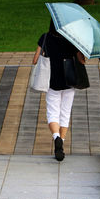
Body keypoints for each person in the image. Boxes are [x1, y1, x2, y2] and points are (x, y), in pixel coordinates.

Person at [33, 19, 85, 161]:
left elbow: (35, 59)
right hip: (69, 80)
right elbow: (81, 60)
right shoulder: (72, 38)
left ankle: (56, 137)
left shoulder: (45, 37)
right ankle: (61, 141)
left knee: (52, 112)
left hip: (52, 81)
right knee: (65, 112)